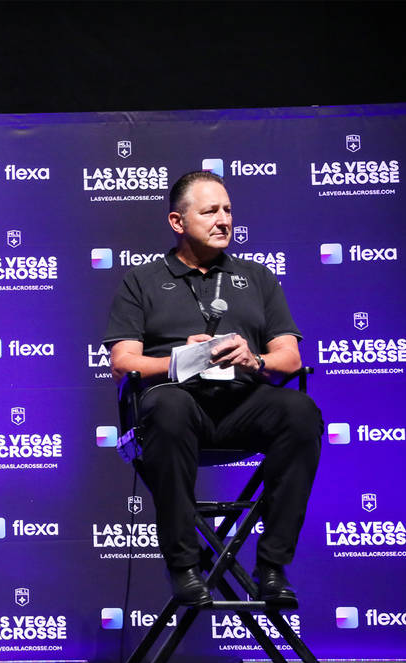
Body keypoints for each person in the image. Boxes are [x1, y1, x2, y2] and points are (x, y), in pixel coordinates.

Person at [103, 170, 322, 607]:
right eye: (209, 211)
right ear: (177, 222)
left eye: (227, 210)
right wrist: (180, 360)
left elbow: (290, 359)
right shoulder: (142, 280)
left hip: (243, 404)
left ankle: (272, 567)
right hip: (178, 407)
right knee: (168, 407)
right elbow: (122, 363)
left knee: (300, 412)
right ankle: (184, 567)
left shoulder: (256, 277)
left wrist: (253, 358)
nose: (223, 220)